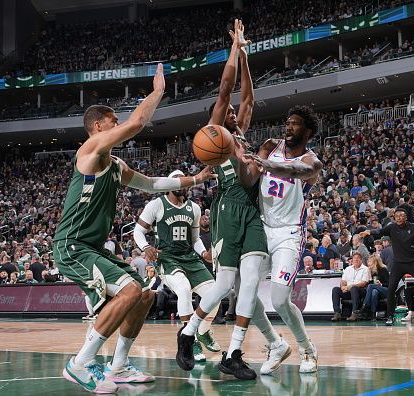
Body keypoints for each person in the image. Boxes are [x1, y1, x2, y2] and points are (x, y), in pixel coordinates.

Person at [52, 64, 215, 393]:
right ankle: (80, 363)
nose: (118, 122)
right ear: (99, 126)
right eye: (113, 119)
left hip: (93, 248)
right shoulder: (89, 153)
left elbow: (154, 183)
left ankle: (119, 365)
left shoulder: (116, 165)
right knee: (129, 291)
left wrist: (196, 179)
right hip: (72, 246)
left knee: (144, 294)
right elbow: (138, 122)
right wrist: (157, 93)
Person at [178, 20, 270, 381]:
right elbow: (227, 90)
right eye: (228, 112)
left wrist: (245, 52)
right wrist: (233, 49)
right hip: (228, 207)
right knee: (225, 282)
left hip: (252, 209)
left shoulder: (242, 134)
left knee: (248, 283)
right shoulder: (216, 133)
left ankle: (233, 353)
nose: (233, 112)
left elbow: (248, 96)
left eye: (234, 113)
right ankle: (187, 334)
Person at [239, 104, 321, 374]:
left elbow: (296, 171)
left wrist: (268, 164)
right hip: (262, 228)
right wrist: (242, 161)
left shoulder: (312, 161)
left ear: (307, 131)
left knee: (279, 299)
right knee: (242, 292)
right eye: (287, 122)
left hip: (289, 233)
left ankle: (306, 347)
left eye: (295, 123)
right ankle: (275, 343)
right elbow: (250, 181)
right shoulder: (269, 145)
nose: (288, 126)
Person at [134, 170, 221, 363]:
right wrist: (146, 246)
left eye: (186, 183)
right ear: (170, 185)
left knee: (215, 294)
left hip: (189, 258)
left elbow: (195, 239)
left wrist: (204, 253)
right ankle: (189, 340)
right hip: (168, 259)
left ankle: (203, 331)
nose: (185, 186)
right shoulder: (156, 205)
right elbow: (138, 232)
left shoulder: (194, 209)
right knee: (184, 289)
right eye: (180, 183)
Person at [360, 207, 414, 325]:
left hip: (413, 262)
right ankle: (389, 316)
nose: (399, 218)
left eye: (401, 215)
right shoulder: (392, 227)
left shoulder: (413, 227)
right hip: (398, 264)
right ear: (394, 217)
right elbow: (379, 231)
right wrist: (368, 232)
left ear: (406, 217)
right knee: (390, 289)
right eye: (397, 216)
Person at [331, 252, 371, 322]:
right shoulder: (348, 269)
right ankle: (337, 313)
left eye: (358, 258)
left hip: (360, 291)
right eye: (354, 258)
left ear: (361, 260)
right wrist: (343, 287)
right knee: (335, 289)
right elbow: (343, 281)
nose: (356, 260)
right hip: (348, 290)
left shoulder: (365, 269)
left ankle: (354, 313)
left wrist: (350, 286)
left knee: (354, 288)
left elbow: (364, 283)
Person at [359, 255, 390, 320]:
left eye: (370, 264)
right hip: (376, 291)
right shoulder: (371, 271)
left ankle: (365, 306)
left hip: (385, 290)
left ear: (375, 263)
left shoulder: (383, 269)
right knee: (374, 292)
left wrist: (381, 284)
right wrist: (370, 275)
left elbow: (389, 284)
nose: (369, 266)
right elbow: (369, 286)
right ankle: (373, 315)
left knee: (371, 286)